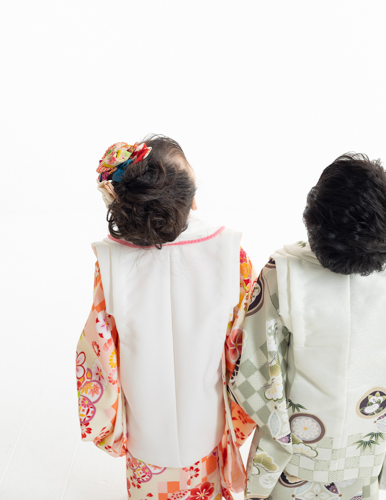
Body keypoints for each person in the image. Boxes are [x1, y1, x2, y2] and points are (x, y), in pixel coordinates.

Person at [232, 153, 386, 500]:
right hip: (366, 449)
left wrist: (278, 431)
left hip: (297, 451)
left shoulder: (283, 273)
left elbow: (253, 370)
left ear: (314, 218)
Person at [75, 135, 255, 500]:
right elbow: (244, 343)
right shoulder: (228, 251)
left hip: (145, 429)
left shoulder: (112, 261)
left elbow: (101, 352)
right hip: (207, 421)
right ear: (190, 199)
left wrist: (106, 424)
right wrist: (242, 413)